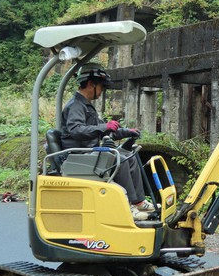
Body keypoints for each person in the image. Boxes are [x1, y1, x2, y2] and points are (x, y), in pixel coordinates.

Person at [61, 63, 154, 221]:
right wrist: (104, 126)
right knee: (119, 159)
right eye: (101, 87)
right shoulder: (76, 105)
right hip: (78, 156)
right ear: (91, 84)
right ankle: (129, 206)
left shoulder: (87, 106)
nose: (102, 91)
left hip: (89, 153)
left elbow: (104, 130)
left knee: (129, 156)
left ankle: (138, 201)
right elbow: (76, 130)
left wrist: (126, 132)